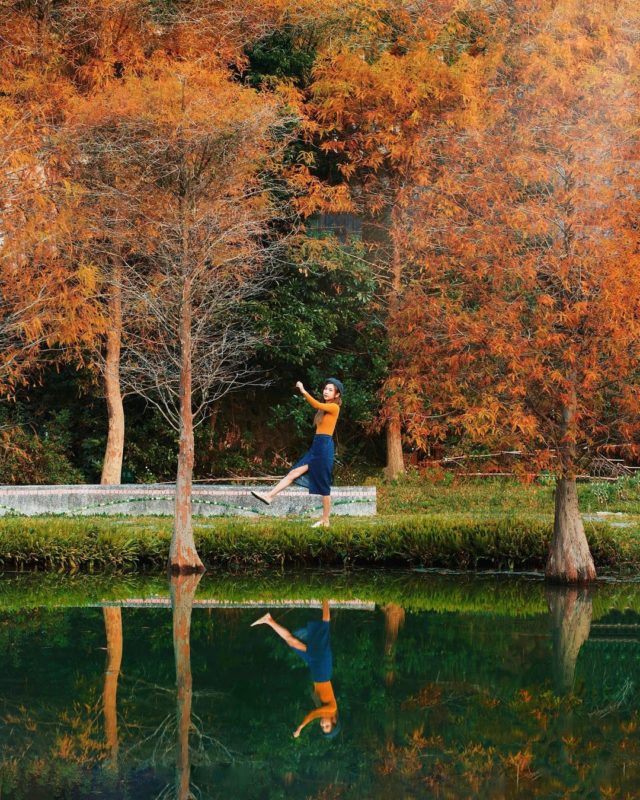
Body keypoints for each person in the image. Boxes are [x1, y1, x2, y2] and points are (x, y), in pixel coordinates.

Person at [251, 378, 343, 528]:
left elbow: (315, 403)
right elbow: (318, 409)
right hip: (316, 446)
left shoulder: (334, 407)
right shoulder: (324, 409)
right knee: (293, 473)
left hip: (324, 448)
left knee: (324, 487)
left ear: (337, 394)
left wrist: (303, 390)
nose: (326, 391)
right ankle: (269, 496)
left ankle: (326, 520)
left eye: (330, 390)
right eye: (325, 389)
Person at [251, 599, 340, 739]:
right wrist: (301, 727)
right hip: (322, 667)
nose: (323, 724)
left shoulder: (321, 709)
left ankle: (268, 620)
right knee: (324, 626)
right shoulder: (332, 709)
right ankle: (325, 595)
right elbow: (312, 715)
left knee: (291, 641)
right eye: (327, 725)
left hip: (316, 668)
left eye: (322, 726)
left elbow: (315, 708)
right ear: (334, 721)